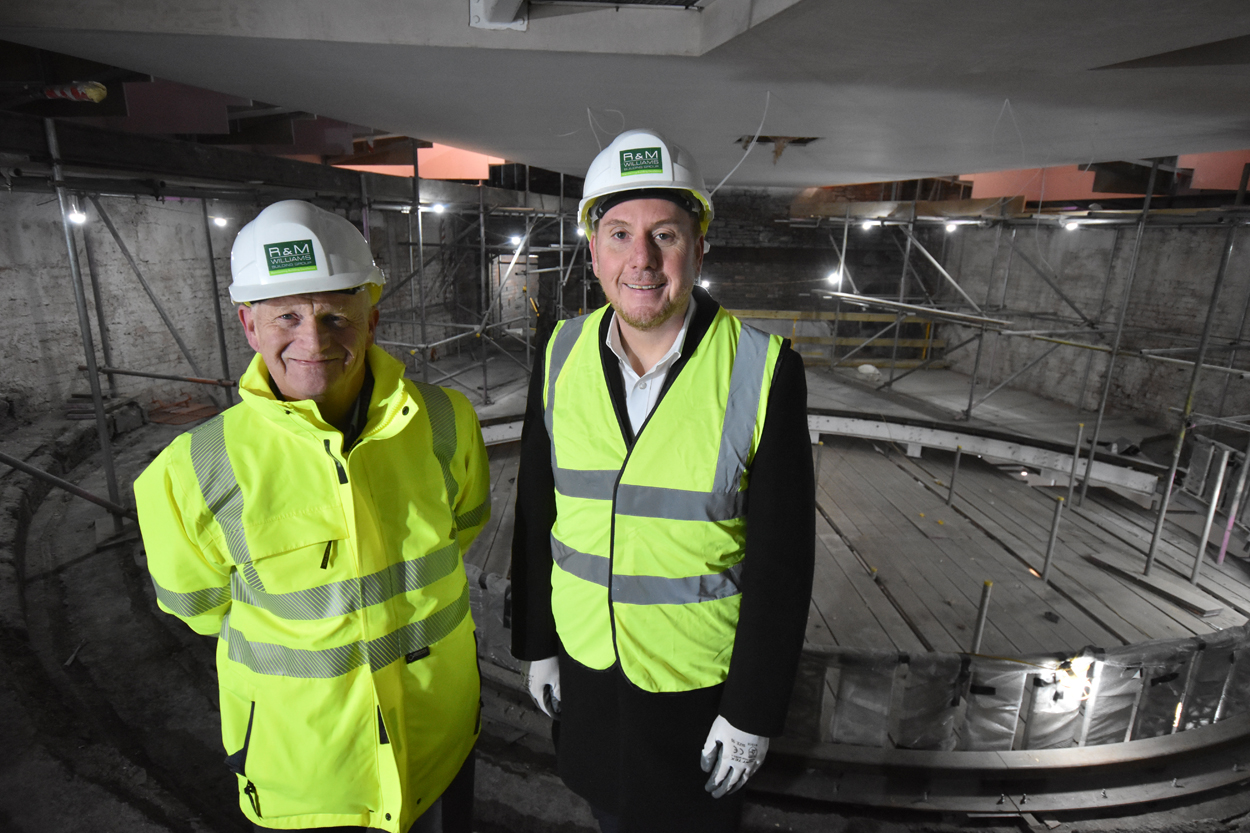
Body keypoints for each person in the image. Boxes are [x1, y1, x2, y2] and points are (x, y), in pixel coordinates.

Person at [134, 200, 490, 833]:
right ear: (249, 325)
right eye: (287, 317)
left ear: (371, 319)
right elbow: (199, 609)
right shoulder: (191, 469)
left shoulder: (446, 421)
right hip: (308, 776)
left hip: (439, 743)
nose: (313, 341)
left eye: (334, 316)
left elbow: (462, 531)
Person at [510, 128, 816, 832]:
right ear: (593, 250)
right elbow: (536, 512)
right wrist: (537, 643)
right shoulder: (558, 352)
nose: (641, 259)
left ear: (699, 247)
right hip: (587, 674)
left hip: (697, 695)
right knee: (606, 814)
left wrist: (751, 711)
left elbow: (783, 562)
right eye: (619, 234)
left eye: (665, 235)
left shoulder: (763, 369)